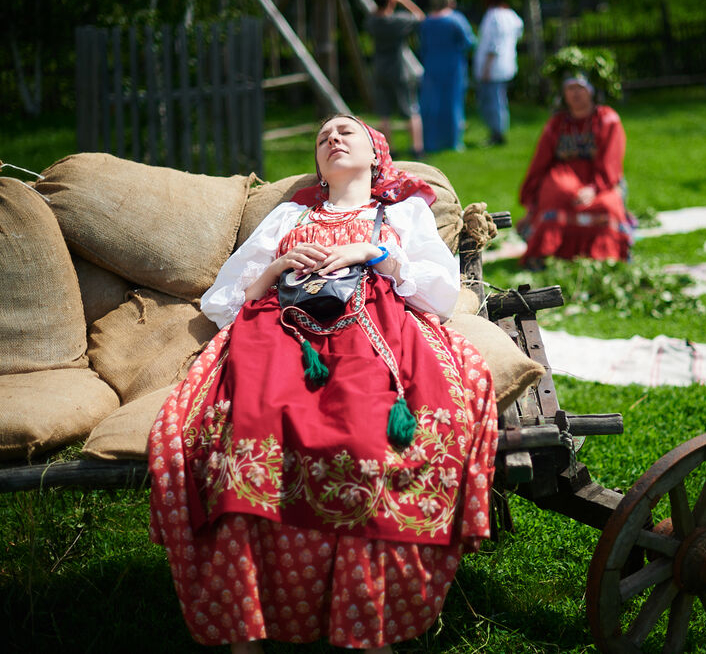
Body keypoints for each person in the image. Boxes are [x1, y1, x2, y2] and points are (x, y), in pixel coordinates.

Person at [148, 114, 499, 653]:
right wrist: (281, 263)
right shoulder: (291, 213)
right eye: (321, 137)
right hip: (279, 330)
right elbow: (223, 302)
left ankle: (364, 626)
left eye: (345, 132)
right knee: (247, 439)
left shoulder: (402, 210)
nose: (332, 139)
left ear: (375, 152)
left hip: (371, 328)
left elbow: (439, 293)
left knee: (365, 442)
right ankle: (246, 631)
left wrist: (372, 252)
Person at [517, 74, 636, 265]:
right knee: (560, 195)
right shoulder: (556, 124)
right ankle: (550, 253)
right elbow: (541, 161)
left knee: (606, 205)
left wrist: (593, 188)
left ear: (591, 90)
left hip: (599, 180)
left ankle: (608, 255)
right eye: (569, 88)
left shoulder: (607, 119)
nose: (575, 94)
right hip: (565, 176)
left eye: (580, 87)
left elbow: (611, 161)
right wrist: (532, 201)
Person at [366, 0, 426, 157]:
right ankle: (417, 148)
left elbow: (373, 14)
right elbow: (419, 16)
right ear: (390, 2)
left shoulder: (372, 22)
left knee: (384, 113)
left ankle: (389, 150)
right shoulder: (397, 21)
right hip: (400, 70)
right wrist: (403, 0)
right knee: (410, 109)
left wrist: (383, 3)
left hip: (379, 70)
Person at [418, 0, 475, 152]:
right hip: (453, 66)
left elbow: (423, 46)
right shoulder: (456, 20)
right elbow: (469, 42)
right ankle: (453, 142)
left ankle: (431, 142)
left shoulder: (427, 21)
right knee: (453, 103)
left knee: (431, 104)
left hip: (431, 65)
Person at [473, 0, 523, 146]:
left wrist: (486, 68)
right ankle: (497, 132)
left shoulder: (493, 16)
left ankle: (497, 134)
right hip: (506, 65)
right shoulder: (512, 15)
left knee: (493, 101)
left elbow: (493, 45)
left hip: (493, 67)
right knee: (499, 100)